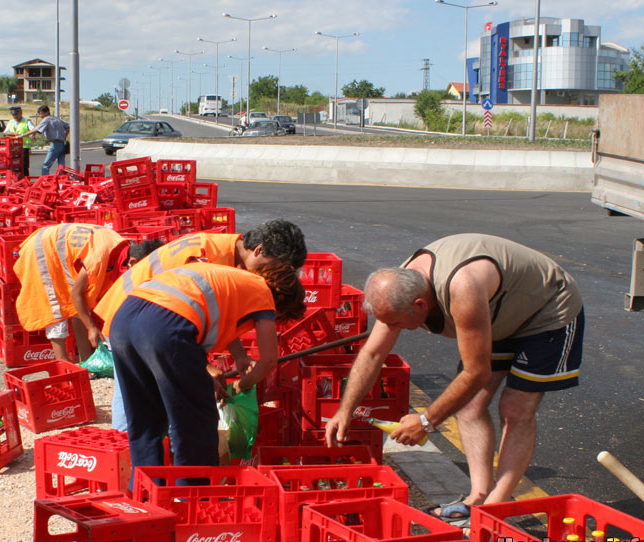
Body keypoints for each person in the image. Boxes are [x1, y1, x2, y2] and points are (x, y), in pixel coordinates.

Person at [325, 233, 584, 525]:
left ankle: (494, 510)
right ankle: (478, 496)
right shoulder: (399, 284)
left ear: (421, 304)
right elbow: (372, 353)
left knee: (515, 408)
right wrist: (344, 411)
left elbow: (477, 373)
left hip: (545, 311)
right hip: (498, 312)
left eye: (395, 323)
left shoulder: (462, 289)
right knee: (470, 406)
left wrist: (425, 421)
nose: (390, 328)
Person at [94, 219, 307, 431]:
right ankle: (127, 447)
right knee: (138, 391)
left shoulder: (225, 250)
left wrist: (240, 355)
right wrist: (203, 366)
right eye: (275, 268)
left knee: (141, 390)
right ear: (259, 251)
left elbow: (213, 311)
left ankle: (137, 446)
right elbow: (181, 315)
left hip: (137, 313)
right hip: (134, 313)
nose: (272, 277)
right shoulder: (207, 257)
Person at [110, 261, 305, 478]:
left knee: (146, 419)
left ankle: (145, 492)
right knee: (197, 425)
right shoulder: (264, 294)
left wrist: (227, 361)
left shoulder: (234, 278)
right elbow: (269, 359)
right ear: (281, 302)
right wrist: (240, 386)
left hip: (124, 319)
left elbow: (195, 319)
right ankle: (193, 496)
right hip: (164, 325)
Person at [13, 223, 157, 362]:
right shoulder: (98, 260)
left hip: (61, 250)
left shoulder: (119, 246)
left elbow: (82, 301)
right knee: (56, 306)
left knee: (80, 309)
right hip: (44, 250)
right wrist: (91, 328)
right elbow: (76, 295)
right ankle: (63, 365)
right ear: (132, 262)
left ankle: (86, 360)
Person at [20, 105, 69, 176]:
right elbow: (68, 126)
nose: (41, 116)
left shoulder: (47, 119)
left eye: (42, 113)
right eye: (39, 114)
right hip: (62, 144)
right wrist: (65, 136)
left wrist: (23, 135)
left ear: (47, 112)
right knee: (61, 165)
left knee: (45, 166)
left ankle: (44, 180)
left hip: (55, 144)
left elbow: (36, 129)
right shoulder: (56, 119)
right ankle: (62, 179)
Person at [3, 106, 34, 177]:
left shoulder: (27, 121)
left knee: (24, 166)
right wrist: (14, 134)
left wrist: (32, 135)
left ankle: (26, 181)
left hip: (24, 147)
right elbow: (5, 132)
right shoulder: (11, 122)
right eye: (13, 115)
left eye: (16, 114)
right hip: (13, 148)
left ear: (20, 113)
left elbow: (33, 130)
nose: (14, 116)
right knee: (14, 165)